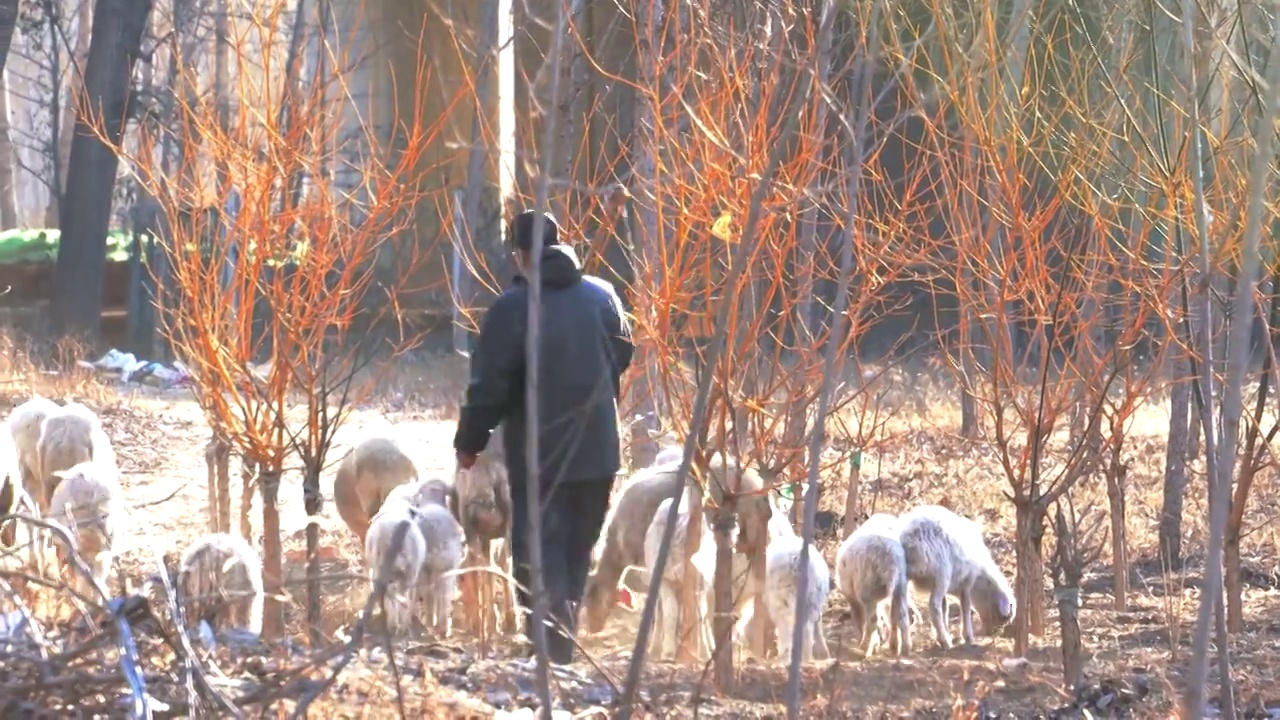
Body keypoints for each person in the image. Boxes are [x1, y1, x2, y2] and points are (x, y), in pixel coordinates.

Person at [453, 209, 634, 664]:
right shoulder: (603, 295)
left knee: (539, 552)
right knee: (575, 550)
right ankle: (560, 651)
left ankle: (549, 659)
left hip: (540, 456)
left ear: (519, 254)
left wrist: (469, 444)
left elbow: (488, 386)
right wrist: (596, 389)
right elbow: (623, 350)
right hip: (598, 452)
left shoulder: (513, 309)